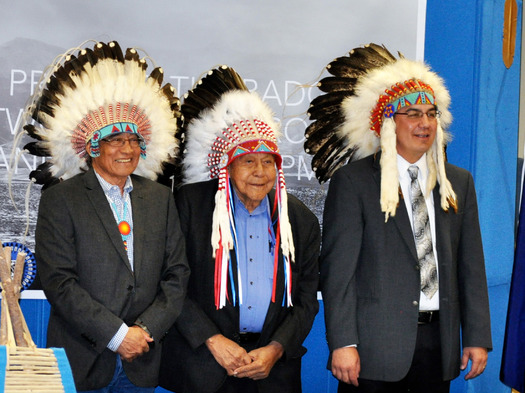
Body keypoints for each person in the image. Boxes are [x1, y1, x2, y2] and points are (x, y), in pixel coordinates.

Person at [304, 43, 492, 392]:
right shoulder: (354, 182)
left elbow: (471, 266)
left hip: (439, 346)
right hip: (374, 351)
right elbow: (339, 272)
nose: (425, 123)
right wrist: (343, 343)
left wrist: (477, 336)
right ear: (389, 123)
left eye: (431, 113)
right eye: (413, 114)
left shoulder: (458, 183)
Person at [24, 41, 190, 392]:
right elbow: (59, 282)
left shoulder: (160, 198)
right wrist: (117, 336)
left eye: (134, 140)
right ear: (93, 145)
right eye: (115, 139)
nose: (127, 149)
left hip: (143, 361)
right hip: (84, 359)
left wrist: (143, 332)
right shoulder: (61, 200)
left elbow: (177, 274)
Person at [159, 66, 320, 393]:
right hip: (204, 367)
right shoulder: (190, 207)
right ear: (227, 166)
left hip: (272, 372)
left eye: (268, 161)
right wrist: (213, 340)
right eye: (248, 161)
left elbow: (306, 301)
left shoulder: (299, 220)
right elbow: (172, 281)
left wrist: (275, 349)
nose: (260, 172)